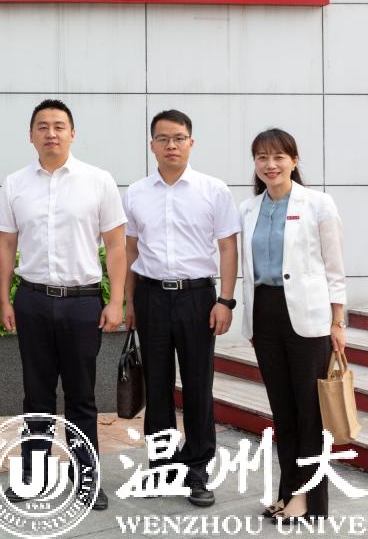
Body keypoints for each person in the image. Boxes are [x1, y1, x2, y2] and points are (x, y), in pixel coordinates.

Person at [0, 99, 126, 511]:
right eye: (42, 126)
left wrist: (116, 300)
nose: (51, 133)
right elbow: (6, 245)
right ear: (31, 135)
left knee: (81, 396)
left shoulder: (98, 181)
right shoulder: (15, 184)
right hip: (32, 300)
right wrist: (4, 299)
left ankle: (86, 476)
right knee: (36, 395)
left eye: (58, 126)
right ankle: (33, 476)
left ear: (72, 133)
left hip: (81, 303)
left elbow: (117, 245)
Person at [121, 110, 239, 507]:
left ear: (191, 142)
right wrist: (128, 301)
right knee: (156, 386)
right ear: (151, 145)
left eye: (178, 138)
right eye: (163, 138)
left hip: (197, 298)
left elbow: (227, 247)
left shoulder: (213, 190)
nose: (171, 145)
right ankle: (162, 466)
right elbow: (131, 250)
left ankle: (198, 468)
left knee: (198, 385)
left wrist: (225, 300)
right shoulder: (136, 193)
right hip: (151, 296)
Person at [240, 128, 346, 524]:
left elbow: (335, 268)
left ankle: (307, 497)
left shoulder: (318, 203)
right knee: (283, 410)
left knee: (309, 412)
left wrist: (338, 321)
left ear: (294, 161)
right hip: (265, 315)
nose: (270, 165)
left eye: (278, 157)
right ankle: (288, 492)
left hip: (309, 318)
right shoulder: (248, 208)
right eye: (262, 157)